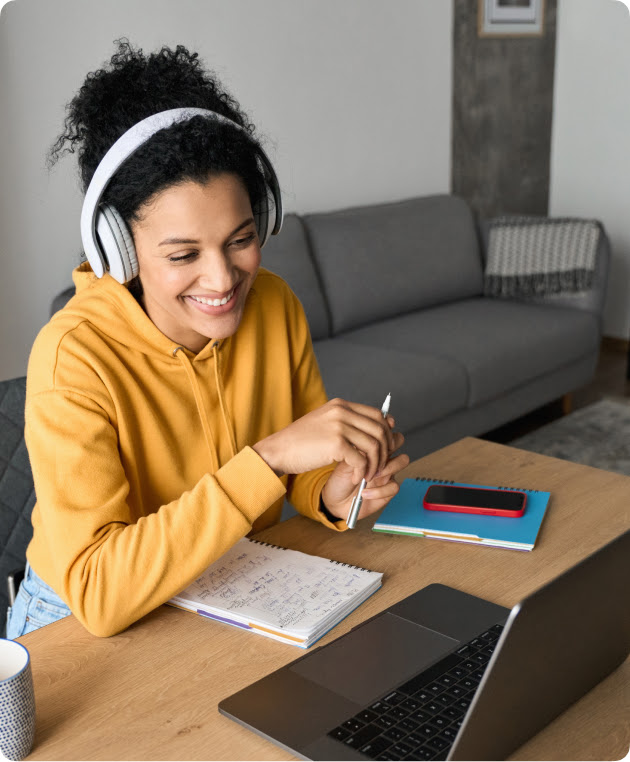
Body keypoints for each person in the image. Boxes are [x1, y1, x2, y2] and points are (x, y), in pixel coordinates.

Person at [6, 40, 408, 640]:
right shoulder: (73, 359)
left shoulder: (274, 304)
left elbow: (299, 471)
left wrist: (332, 489)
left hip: (227, 583)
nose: (223, 279)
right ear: (120, 252)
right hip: (77, 624)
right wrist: (268, 458)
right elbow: (98, 590)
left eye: (241, 239)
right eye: (183, 254)